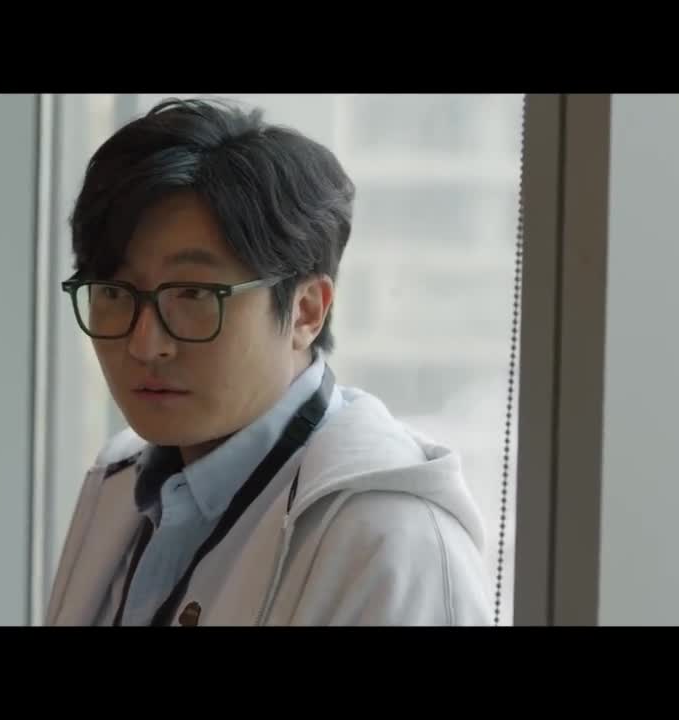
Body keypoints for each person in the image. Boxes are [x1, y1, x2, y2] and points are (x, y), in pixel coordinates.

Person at [44, 97, 492, 626]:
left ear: (306, 310)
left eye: (193, 294)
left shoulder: (394, 542)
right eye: (114, 292)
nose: (145, 344)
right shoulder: (120, 486)